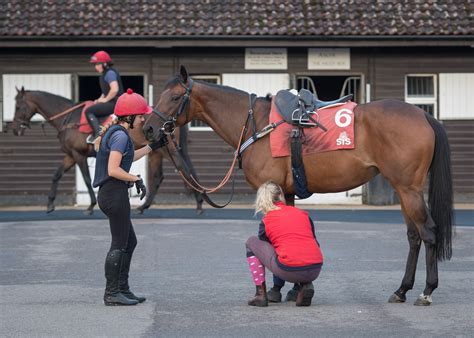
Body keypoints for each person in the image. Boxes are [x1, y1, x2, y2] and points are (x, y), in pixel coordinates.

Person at [93, 88, 168, 306]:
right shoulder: (119, 136)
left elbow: (129, 157)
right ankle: (112, 293)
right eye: (141, 115)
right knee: (119, 243)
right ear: (130, 117)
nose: (143, 118)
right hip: (113, 194)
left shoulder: (119, 133)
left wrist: (153, 146)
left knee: (129, 241)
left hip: (113, 194)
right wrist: (135, 179)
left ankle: (122, 289)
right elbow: (114, 169)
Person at [245, 181, 323, 307]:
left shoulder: (267, 220)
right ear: (281, 195)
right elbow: (315, 243)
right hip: (315, 269)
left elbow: (272, 251)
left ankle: (261, 294)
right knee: (299, 245)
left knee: (251, 242)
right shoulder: (302, 214)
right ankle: (303, 286)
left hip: (289, 269)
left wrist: (277, 287)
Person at [86, 50, 124, 144]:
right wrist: (99, 100)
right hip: (112, 101)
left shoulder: (109, 73)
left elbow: (114, 89)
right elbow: (106, 92)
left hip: (115, 103)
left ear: (104, 64)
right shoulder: (105, 74)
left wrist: (105, 100)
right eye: (95, 64)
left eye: (97, 64)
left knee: (89, 111)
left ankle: (98, 134)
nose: (96, 67)